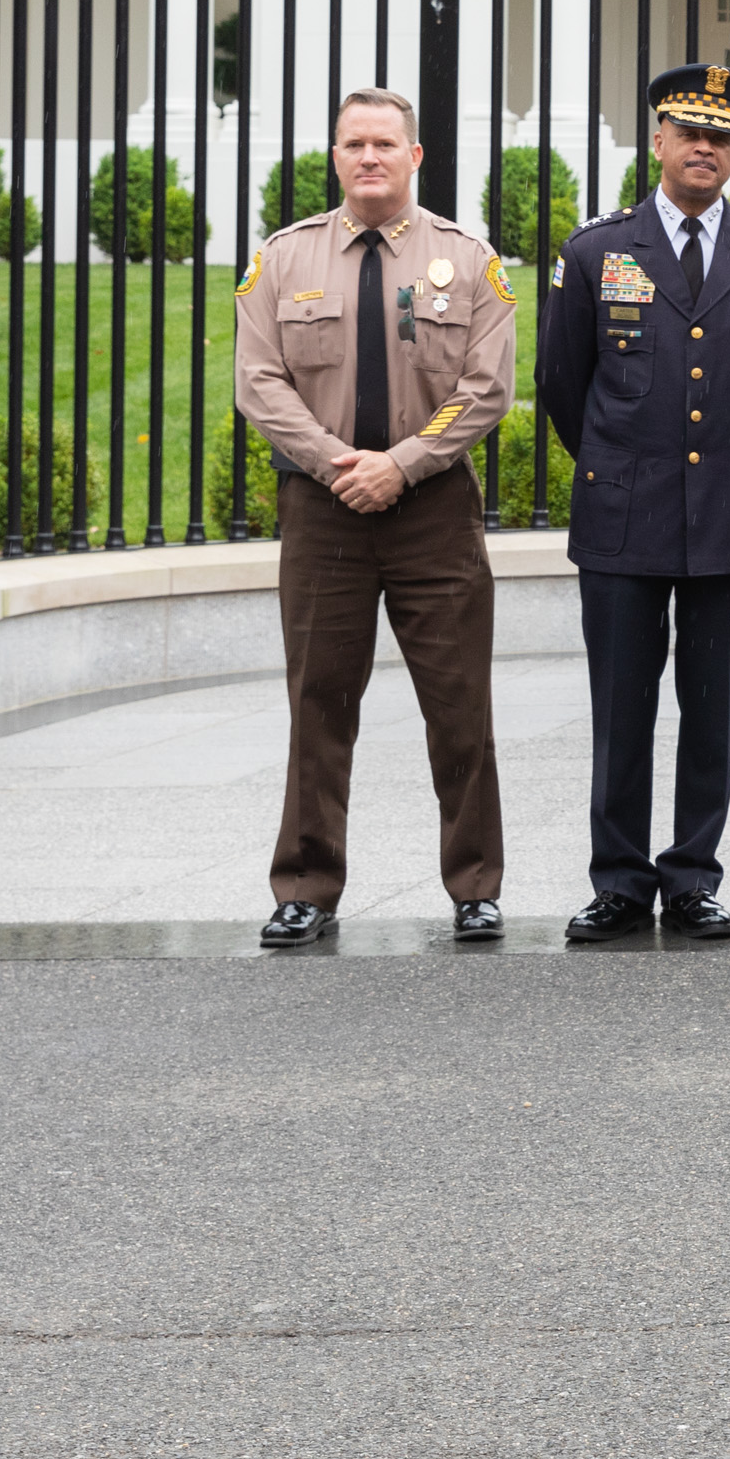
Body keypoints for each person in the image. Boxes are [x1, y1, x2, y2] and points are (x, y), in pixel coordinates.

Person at [233, 87, 516, 948]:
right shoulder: (283, 259)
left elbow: (488, 387)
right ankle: (306, 889)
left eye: (384, 144)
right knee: (318, 701)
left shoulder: (467, 260)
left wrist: (401, 464)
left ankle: (475, 886)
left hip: (433, 510)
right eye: (353, 143)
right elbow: (258, 380)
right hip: (323, 512)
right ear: (334, 156)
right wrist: (336, 463)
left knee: (459, 703)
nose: (368, 158)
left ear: (415, 156)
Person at [538, 63, 730, 943]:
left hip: (728, 515)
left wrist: (718, 468)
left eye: (723, 136)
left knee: (712, 703)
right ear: (656, 140)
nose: (706, 147)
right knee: (622, 707)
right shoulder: (596, 252)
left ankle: (693, 875)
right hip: (623, 513)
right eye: (690, 131)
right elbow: (562, 384)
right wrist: (624, 463)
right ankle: (620, 880)